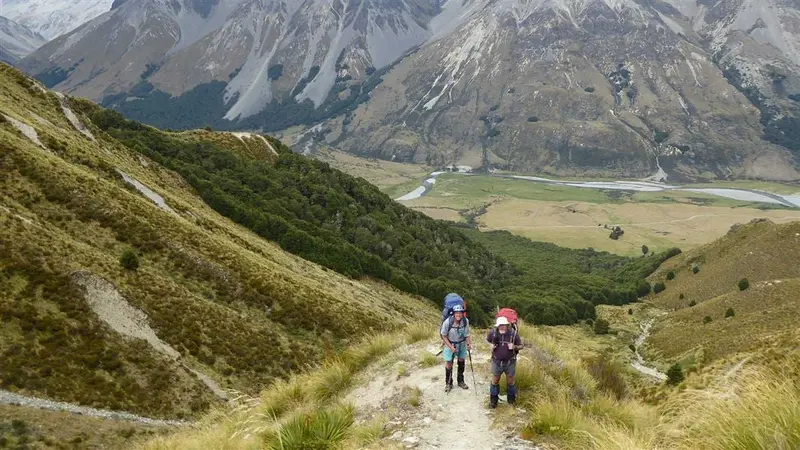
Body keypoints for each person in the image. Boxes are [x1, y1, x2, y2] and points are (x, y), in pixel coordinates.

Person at [486, 316, 524, 408]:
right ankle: (493, 402)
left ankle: (511, 401)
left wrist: (514, 347)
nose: (502, 327)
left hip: (510, 362)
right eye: (500, 325)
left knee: (510, 381)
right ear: (497, 326)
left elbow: (521, 345)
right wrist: (490, 345)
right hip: (496, 361)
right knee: (495, 380)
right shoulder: (493, 333)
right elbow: (487, 341)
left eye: (504, 325)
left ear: (507, 325)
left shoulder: (513, 334)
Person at [440, 304, 471, 392]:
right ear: (453, 313)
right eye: (457, 313)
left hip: (462, 344)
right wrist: (450, 347)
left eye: (460, 313)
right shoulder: (447, 322)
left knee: (461, 361)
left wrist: (469, 343)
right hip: (450, 344)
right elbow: (444, 335)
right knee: (449, 363)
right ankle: (448, 383)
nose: (459, 315)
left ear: (462, 313)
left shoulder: (465, 321)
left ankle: (460, 381)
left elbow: (467, 333)